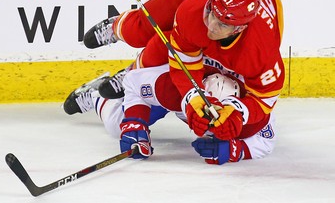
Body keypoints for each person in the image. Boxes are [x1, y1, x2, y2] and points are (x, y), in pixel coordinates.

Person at [73, 0, 284, 164]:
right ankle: (119, 30)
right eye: (212, 13)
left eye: (220, 24)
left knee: (118, 124)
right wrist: (191, 97)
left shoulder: (260, 51)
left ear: (239, 29)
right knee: (141, 28)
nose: (210, 24)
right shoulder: (196, 12)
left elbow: (264, 104)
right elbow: (179, 56)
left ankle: (110, 88)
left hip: (194, 85)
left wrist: (233, 141)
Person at [63, 65, 276, 165]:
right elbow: (134, 83)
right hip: (165, 75)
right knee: (116, 125)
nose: (213, 120)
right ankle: (96, 95)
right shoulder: (177, 84)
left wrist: (233, 149)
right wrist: (134, 123)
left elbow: (266, 140)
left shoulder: (255, 103)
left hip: (190, 94)